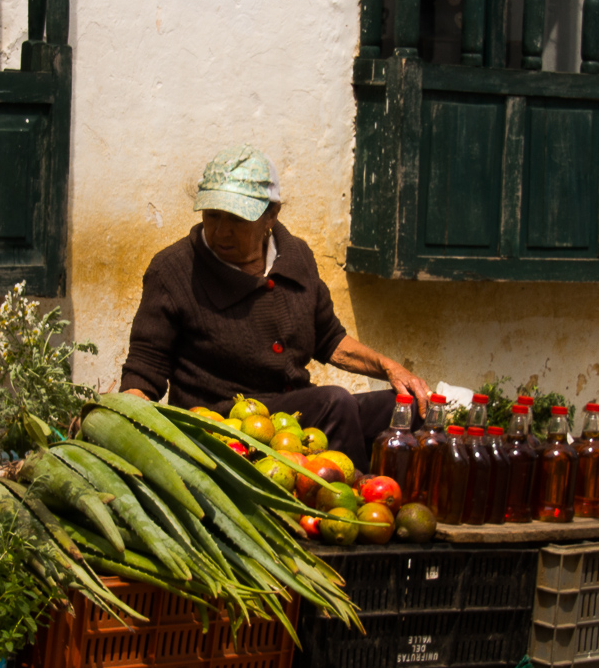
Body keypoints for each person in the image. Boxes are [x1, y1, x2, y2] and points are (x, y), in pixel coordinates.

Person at [119, 146, 431, 464]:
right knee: (336, 403)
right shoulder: (174, 270)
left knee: (410, 408)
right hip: (226, 427)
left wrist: (389, 367)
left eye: (237, 218)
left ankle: (397, 499)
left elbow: (329, 338)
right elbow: (144, 372)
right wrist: (120, 420)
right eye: (212, 215)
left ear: (271, 214)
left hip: (293, 418)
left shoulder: (295, 256)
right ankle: (351, 500)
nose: (220, 231)